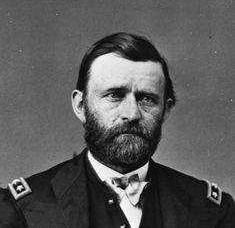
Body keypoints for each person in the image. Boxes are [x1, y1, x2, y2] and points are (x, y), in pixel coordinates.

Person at [0, 32, 234, 228]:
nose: (131, 114)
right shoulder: (22, 209)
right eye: (114, 95)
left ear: (166, 110)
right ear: (81, 106)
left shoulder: (212, 212)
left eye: (147, 99)